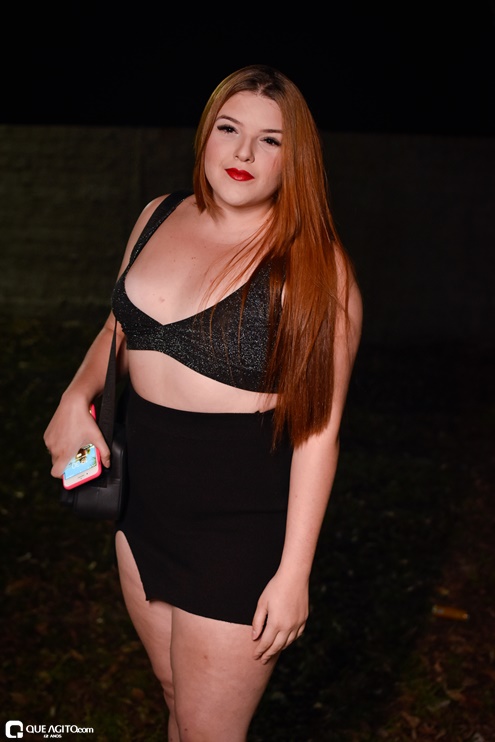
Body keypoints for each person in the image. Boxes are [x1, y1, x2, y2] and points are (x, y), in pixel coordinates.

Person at [44, 64, 362, 741]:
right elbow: (120, 329)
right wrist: (75, 396)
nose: (244, 153)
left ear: (296, 158)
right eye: (229, 129)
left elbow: (319, 432)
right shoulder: (156, 215)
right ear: (205, 134)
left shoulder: (314, 267)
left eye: (270, 141)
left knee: (209, 728)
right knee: (174, 698)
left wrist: (293, 574)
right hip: (142, 507)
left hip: (238, 529)